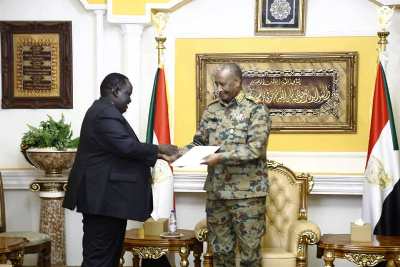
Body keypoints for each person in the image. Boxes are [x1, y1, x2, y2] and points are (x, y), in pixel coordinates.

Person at [63, 73, 178, 267]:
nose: (130, 99)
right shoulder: (104, 113)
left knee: (108, 257)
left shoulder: (103, 110)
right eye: (128, 93)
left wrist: (158, 154)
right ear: (115, 91)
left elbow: (120, 150)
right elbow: (126, 146)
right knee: (99, 259)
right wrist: (159, 149)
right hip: (102, 201)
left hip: (108, 202)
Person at [182, 63, 271, 266]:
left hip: (247, 195)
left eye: (223, 84)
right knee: (221, 253)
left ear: (237, 82)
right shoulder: (211, 110)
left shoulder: (256, 109)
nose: (218, 89)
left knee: (249, 255)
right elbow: (198, 143)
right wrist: (179, 154)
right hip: (217, 193)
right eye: (216, 84)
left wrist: (221, 157)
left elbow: (256, 148)